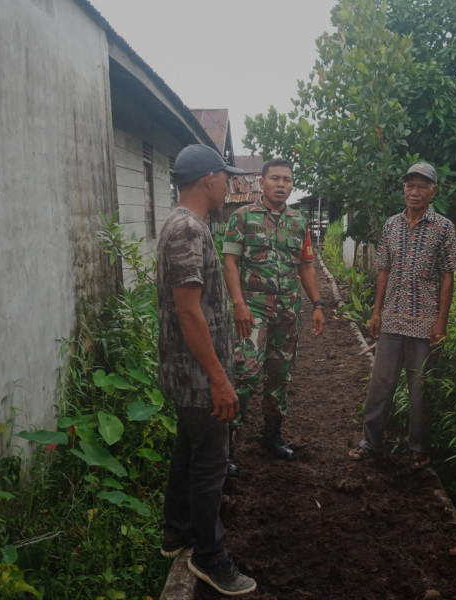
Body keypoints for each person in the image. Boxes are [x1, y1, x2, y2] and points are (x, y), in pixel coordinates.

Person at [156, 144, 256, 595]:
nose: (229, 185)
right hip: (199, 378)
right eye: (224, 177)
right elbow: (189, 313)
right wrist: (220, 379)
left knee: (188, 450)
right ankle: (210, 557)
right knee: (210, 464)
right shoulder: (187, 231)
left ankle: (177, 531)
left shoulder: (189, 226)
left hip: (186, 374)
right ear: (206, 181)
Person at [348, 161, 456, 468]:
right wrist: (375, 313)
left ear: (433, 191)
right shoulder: (391, 226)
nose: (415, 192)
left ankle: (418, 449)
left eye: (422, 186)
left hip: (425, 323)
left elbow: (448, 276)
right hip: (392, 320)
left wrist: (441, 322)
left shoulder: (444, 228)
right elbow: (383, 270)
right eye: (410, 186)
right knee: (380, 385)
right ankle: (370, 443)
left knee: (420, 391)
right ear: (403, 189)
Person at [222, 158, 326, 477]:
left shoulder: (298, 222)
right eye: (275, 178)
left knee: (280, 376)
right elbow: (230, 261)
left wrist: (318, 304)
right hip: (252, 310)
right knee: (247, 373)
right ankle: (225, 447)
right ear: (262, 182)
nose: (282, 185)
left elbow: (306, 265)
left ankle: (272, 437)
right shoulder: (243, 217)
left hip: (287, 311)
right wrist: (238, 303)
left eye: (288, 179)